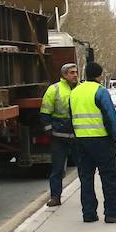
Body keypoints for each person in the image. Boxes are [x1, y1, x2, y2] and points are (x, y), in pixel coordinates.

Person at [69, 61, 116, 224]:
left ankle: (89, 213)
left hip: (81, 142)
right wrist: (114, 137)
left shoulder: (74, 92)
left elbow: (71, 116)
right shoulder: (100, 92)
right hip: (101, 141)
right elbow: (111, 117)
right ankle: (112, 212)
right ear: (99, 75)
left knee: (86, 178)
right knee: (109, 177)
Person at [39, 62, 78, 207]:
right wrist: (50, 131)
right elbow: (45, 112)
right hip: (59, 137)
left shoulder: (80, 89)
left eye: (76, 72)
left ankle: (87, 197)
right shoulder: (54, 90)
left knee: (84, 168)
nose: (75, 75)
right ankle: (55, 197)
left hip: (77, 137)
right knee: (57, 169)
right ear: (64, 75)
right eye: (72, 72)